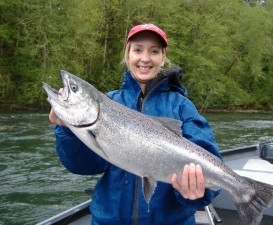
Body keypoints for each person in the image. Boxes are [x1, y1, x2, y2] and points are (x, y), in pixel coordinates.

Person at [48, 23, 222, 225]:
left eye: (154, 51)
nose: (145, 58)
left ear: (163, 58)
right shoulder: (109, 102)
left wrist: (194, 194)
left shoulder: (182, 107)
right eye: (137, 50)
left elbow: (210, 171)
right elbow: (84, 166)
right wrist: (67, 129)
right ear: (127, 54)